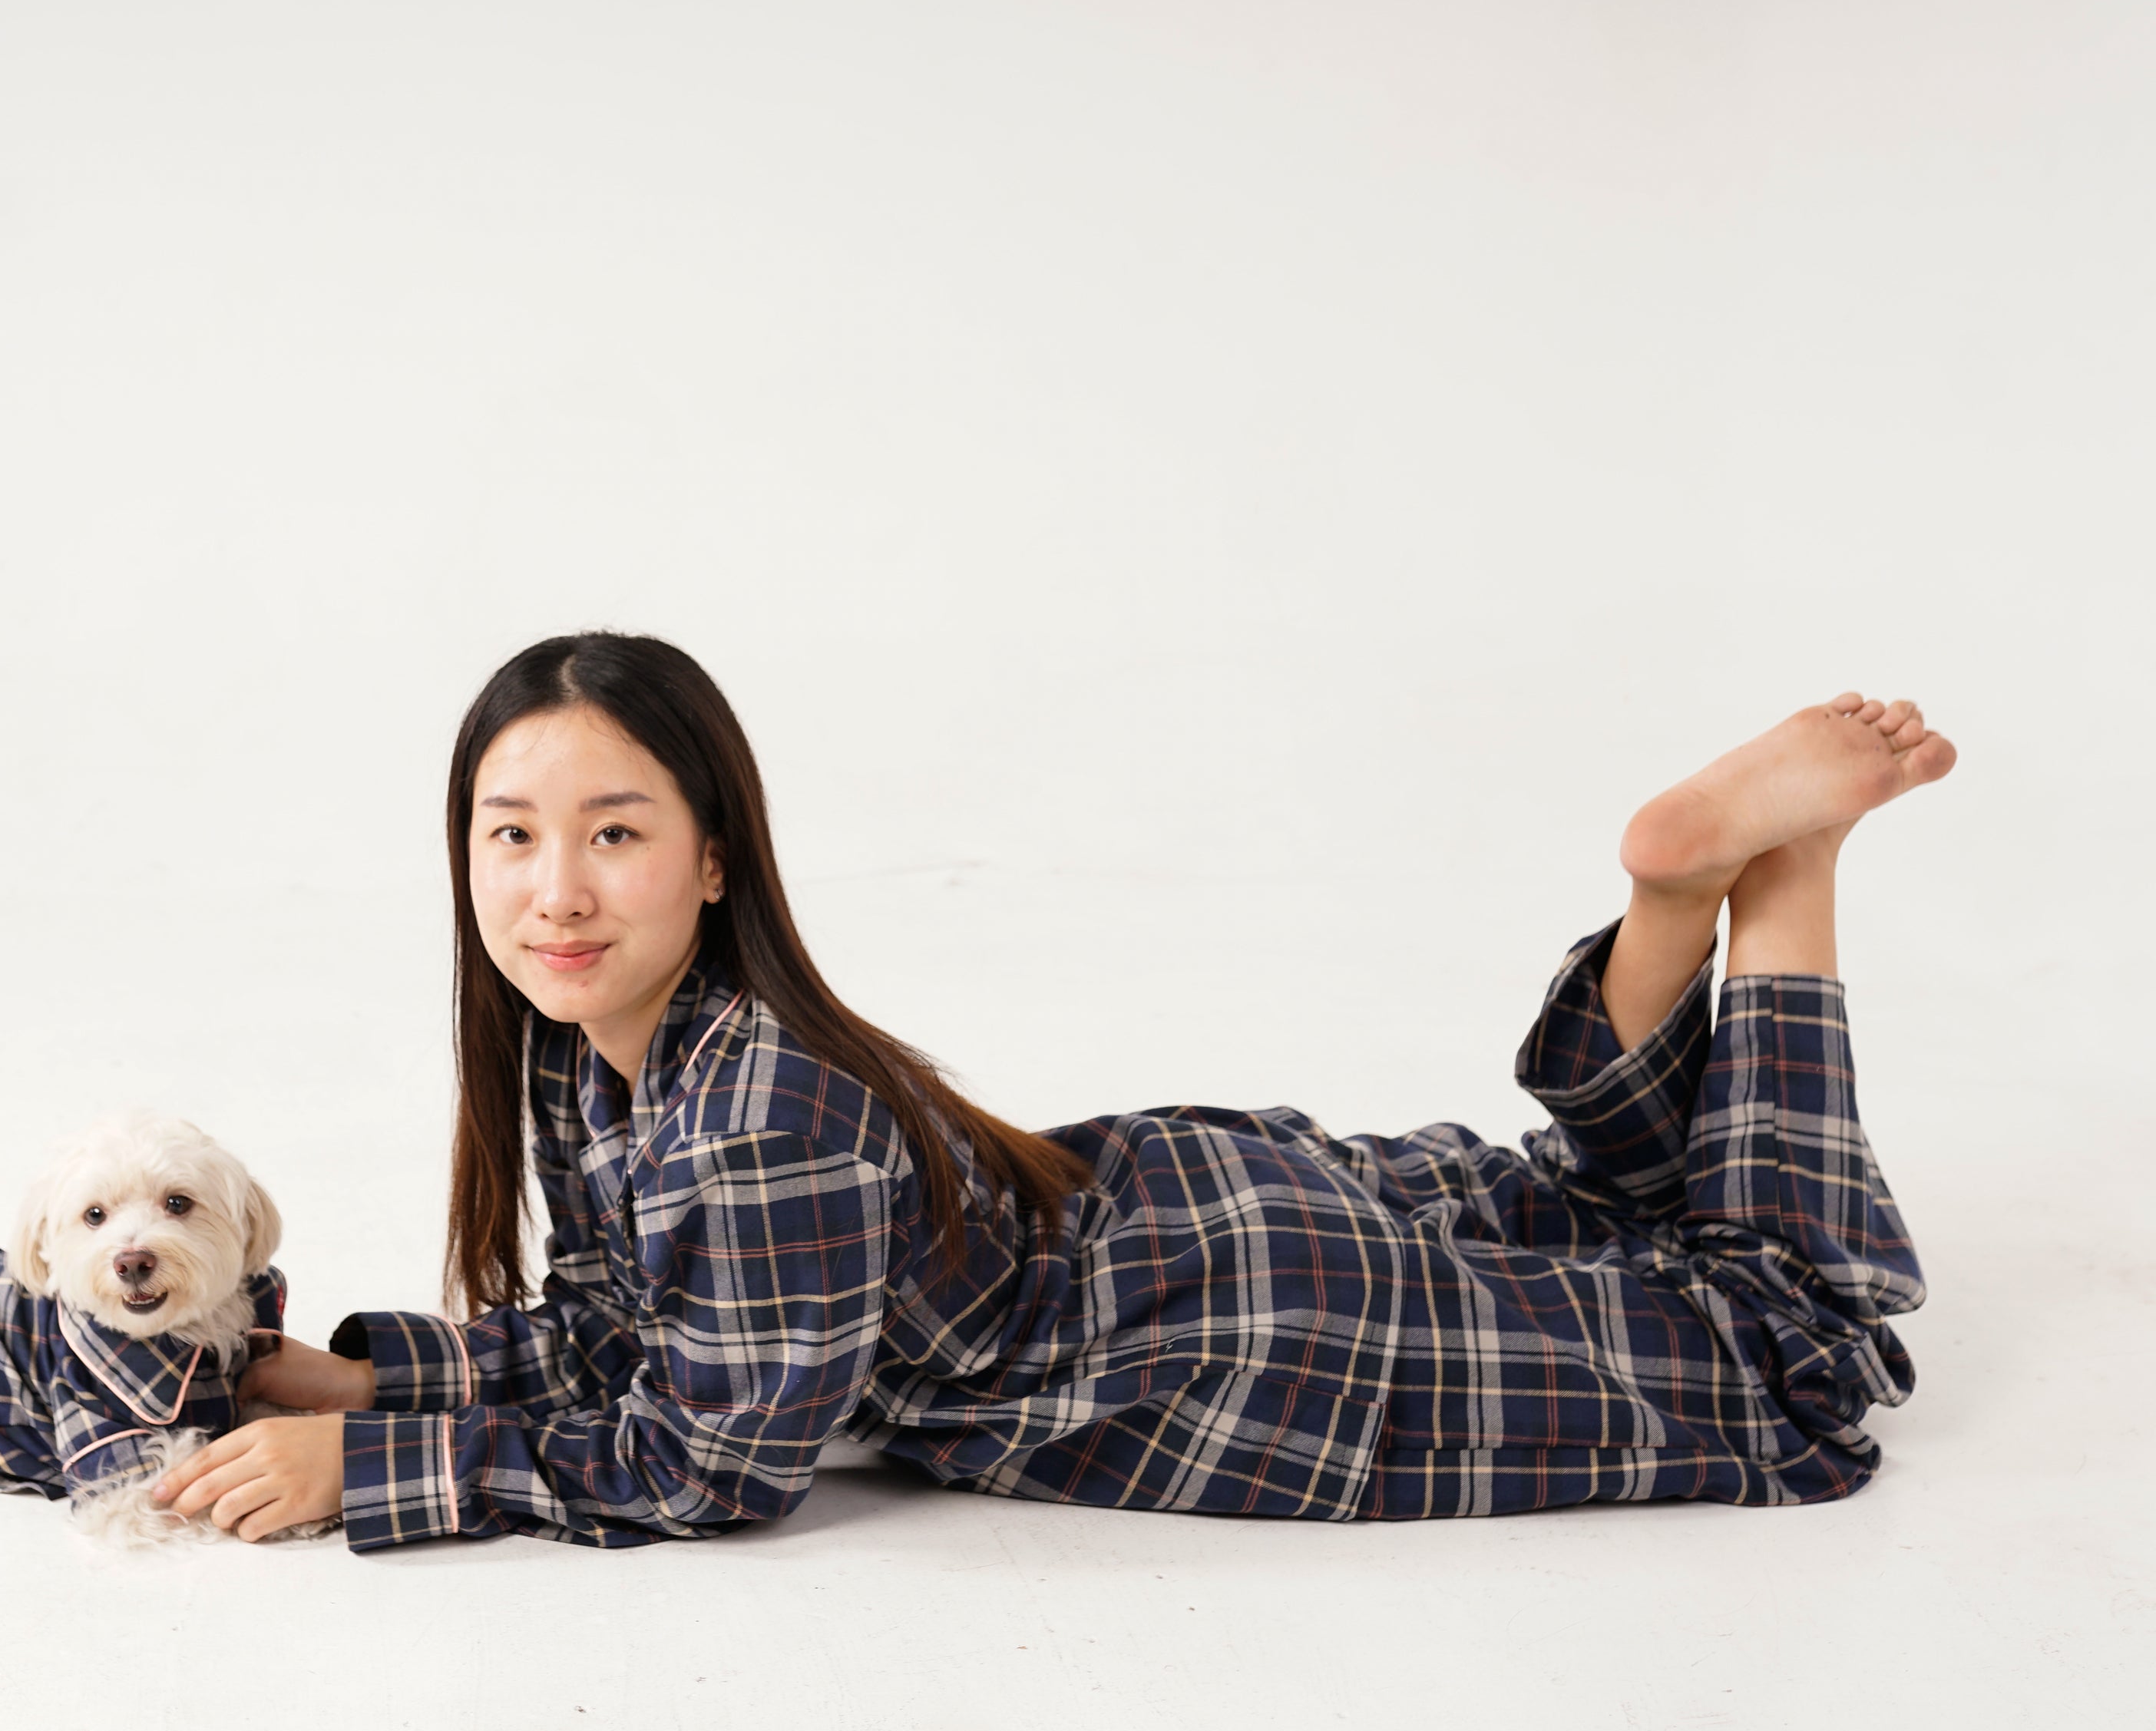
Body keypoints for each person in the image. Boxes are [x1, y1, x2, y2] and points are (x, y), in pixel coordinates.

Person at [156, 633, 1953, 1548]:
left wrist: (370, 1468)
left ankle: (1774, 880)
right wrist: (390, 1365)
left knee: (1799, 1358)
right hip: (1172, 1207)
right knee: (1588, 1206)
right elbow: (645, 1324)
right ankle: (1677, 892)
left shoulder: (765, 1102)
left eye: (614, 833)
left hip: (1237, 1334)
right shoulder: (598, 1048)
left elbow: (706, 1458)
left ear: (714, 859)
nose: (556, 888)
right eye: (514, 835)